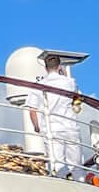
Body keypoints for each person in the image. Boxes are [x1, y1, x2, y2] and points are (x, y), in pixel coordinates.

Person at [21, 48, 90, 178]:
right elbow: (76, 96)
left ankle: (60, 182)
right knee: (76, 163)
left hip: (51, 128)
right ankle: (80, 182)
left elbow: (32, 110)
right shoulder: (70, 83)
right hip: (70, 127)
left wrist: (37, 127)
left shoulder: (39, 86)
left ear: (45, 68)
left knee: (56, 163)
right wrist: (63, 73)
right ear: (59, 66)